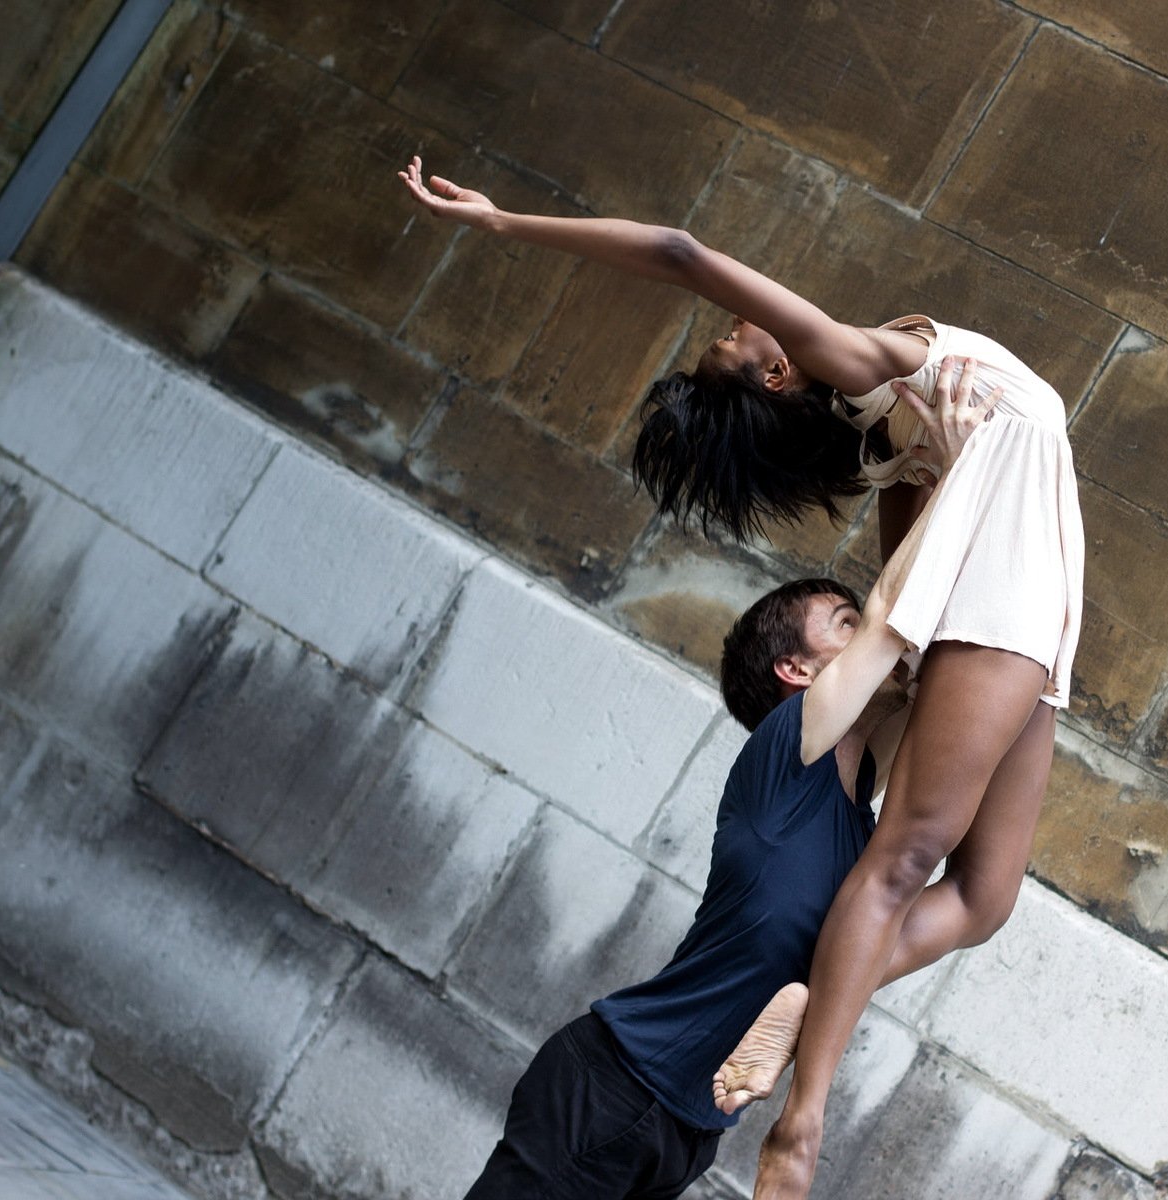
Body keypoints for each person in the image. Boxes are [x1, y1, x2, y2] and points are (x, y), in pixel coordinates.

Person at [401, 155, 1083, 1200]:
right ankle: (799, 1129)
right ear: (775, 374)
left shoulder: (903, 451)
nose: (746, 324)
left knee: (987, 894)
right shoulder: (863, 371)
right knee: (907, 858)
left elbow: (896, 603)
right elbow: (681, 253)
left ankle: (812, 1000)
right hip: (1005, 584)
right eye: (738, 340)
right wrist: (503, 225)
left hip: (1031, 582)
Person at [464, 578, 902, 1199]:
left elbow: (931, 667)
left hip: (691, 1127)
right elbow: (895, 615)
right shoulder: (785, 747)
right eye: (844, 623)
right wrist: (953, 481)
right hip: (614, 1087)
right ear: (796, 670)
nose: (870, 634)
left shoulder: (857, 802)